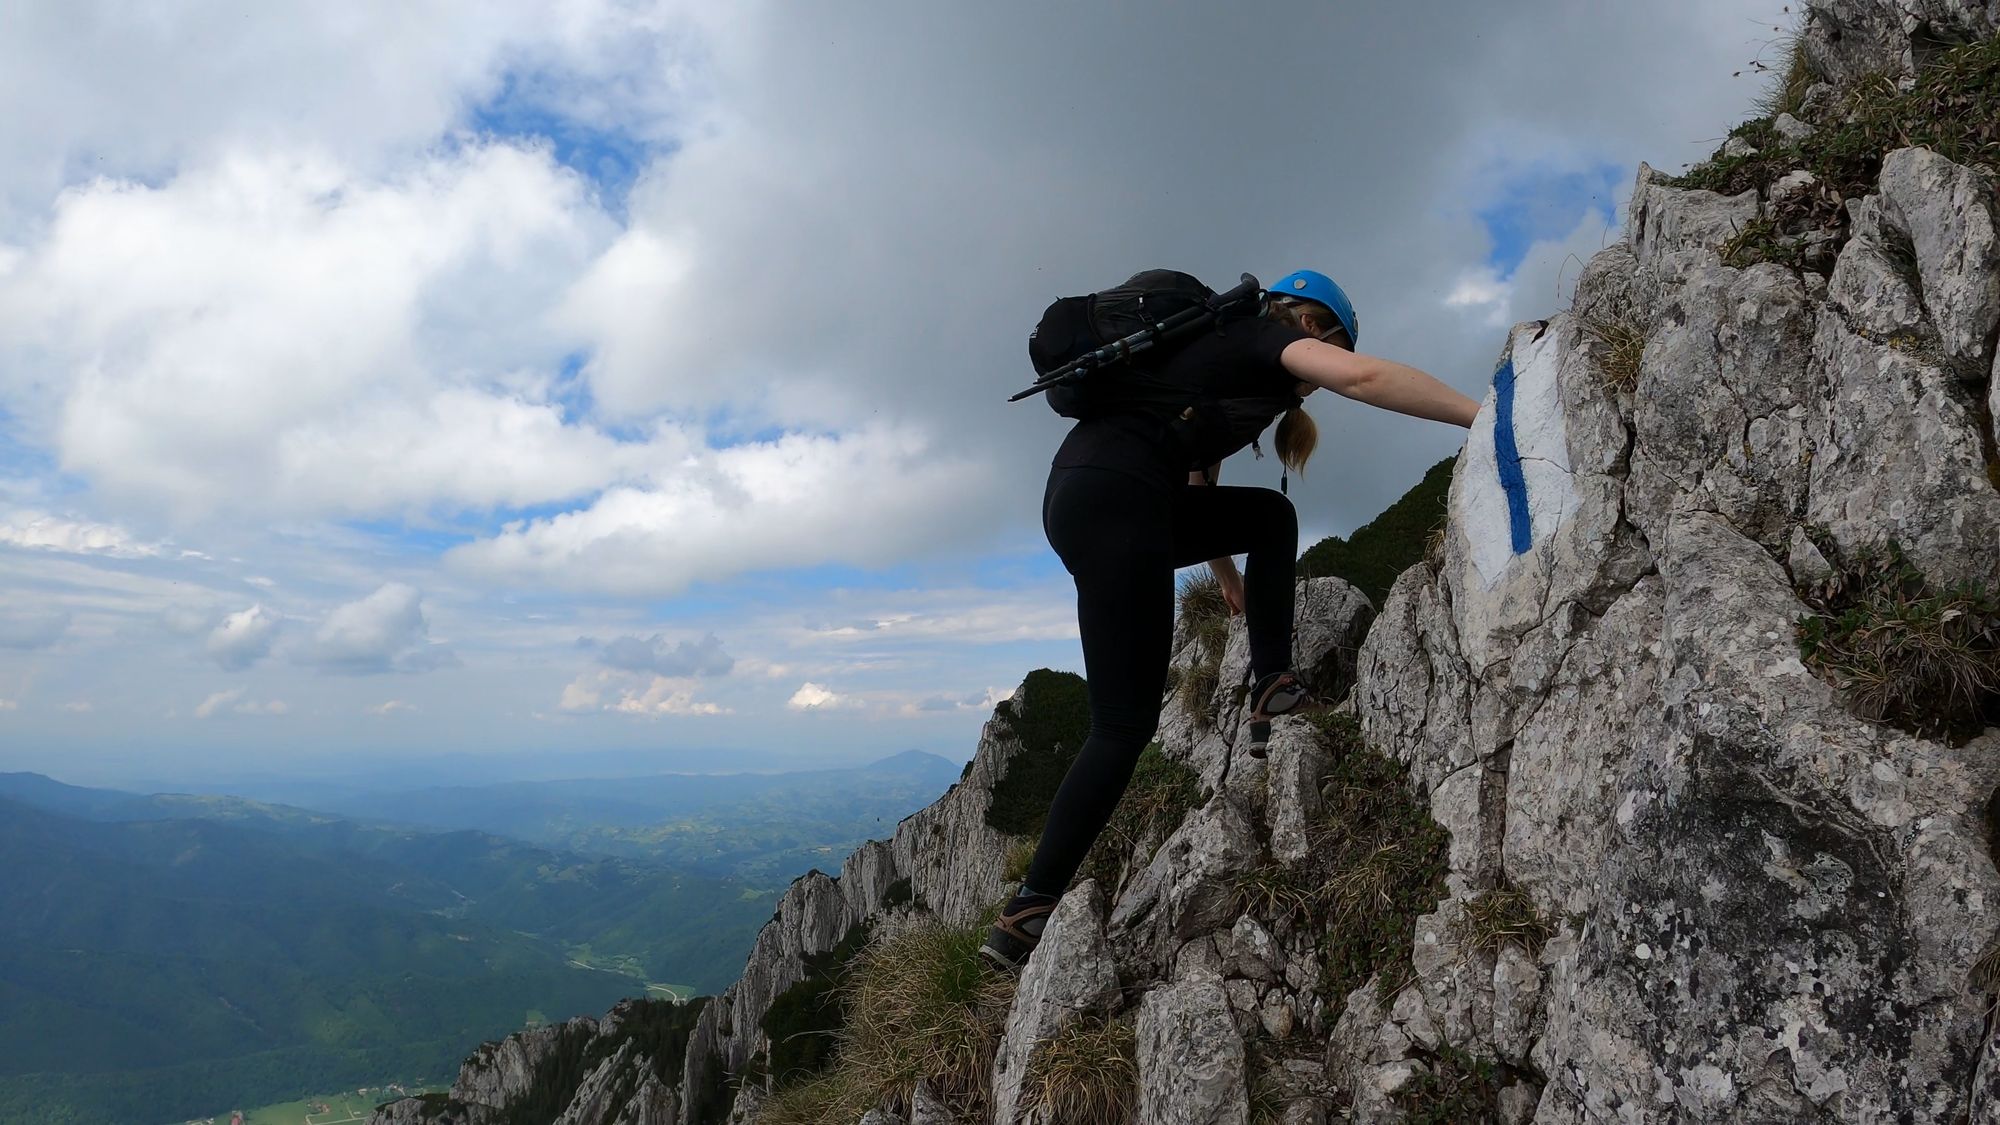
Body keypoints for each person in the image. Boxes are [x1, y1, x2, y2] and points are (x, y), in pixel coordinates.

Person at [979, 269, 1482, 972]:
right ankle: (1026, 912)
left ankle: (1273, 685)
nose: (1312, 382)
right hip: (1122, 500)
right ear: (1312, 325)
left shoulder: (1211, 363)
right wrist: (1479, 415)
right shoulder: (1260, 338)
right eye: (1327, 344)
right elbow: (1363, 379)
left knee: (1270, 517)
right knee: (1122, 726)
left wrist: (1229, 581)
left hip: (1089, 493)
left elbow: (1197, 485)